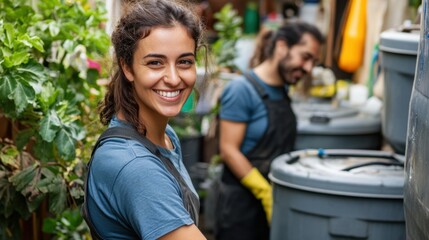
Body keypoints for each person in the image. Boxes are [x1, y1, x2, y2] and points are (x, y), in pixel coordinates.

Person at [82, 0, 208, 239]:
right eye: (155, 63)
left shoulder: (164, 135)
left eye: (184, 62)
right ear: (127, 68)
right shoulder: (136, 166)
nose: (173, 78)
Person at [216, 21, 324, 240]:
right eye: (305, 57)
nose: (309, 68)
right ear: (282, 46)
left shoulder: (282, 90)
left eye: (313, 61)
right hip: (241, 211)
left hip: (277, 205)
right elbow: (228, 150)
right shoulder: (241, 90)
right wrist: (264, 192)